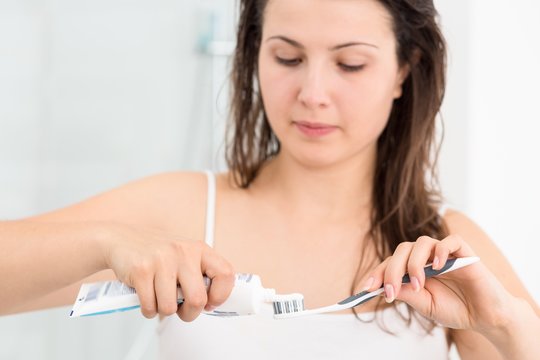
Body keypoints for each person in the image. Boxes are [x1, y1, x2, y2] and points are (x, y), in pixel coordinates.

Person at [1, 0, 539, 358]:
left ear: (403, 71)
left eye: (350, 64)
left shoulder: (443, 247)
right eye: (287, 57)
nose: (312, 92)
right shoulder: (183, 210)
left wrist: (505, 325)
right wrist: (105, 241)